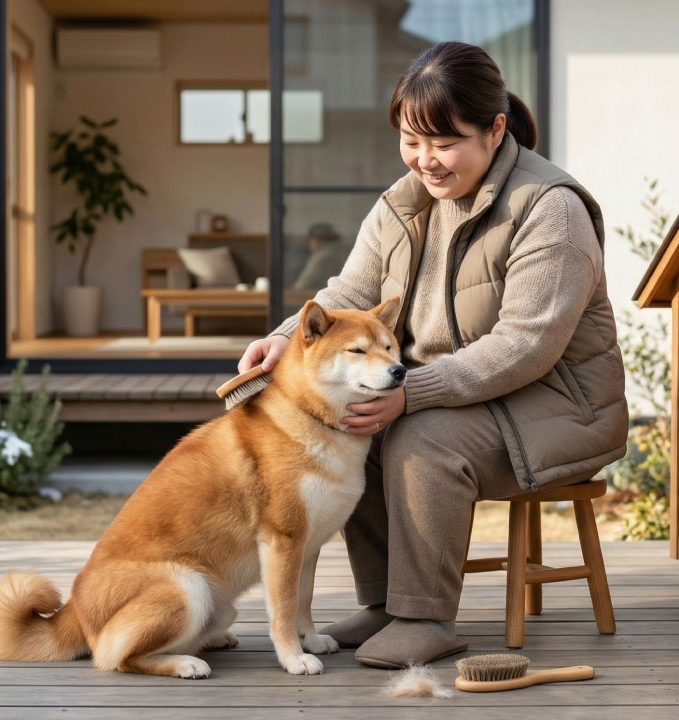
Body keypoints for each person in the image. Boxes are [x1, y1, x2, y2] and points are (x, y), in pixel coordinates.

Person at [237, 41, 628, 668]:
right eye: (411, 141)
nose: (426, 160)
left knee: (421, 435)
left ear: (495, 129)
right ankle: (385, 601)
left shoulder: (550, 208)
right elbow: (350, 294)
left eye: (445, 143)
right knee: (348, 415)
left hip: (554, 405)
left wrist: (409, 393)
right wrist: (286, 337)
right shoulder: (403, 202)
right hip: (453, 392)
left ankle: (424, 616)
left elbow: (526, 344)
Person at [291, 222, 350, 290]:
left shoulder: (321, 257)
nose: (309, 245)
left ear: (317, 240)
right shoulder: (346, 252)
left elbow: (302, 286)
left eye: (310, 241)